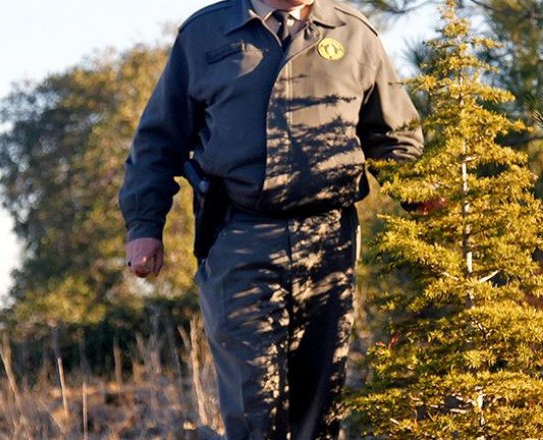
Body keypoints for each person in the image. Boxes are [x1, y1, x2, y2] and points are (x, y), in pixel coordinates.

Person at [118, 0, 424, 437]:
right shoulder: (205, 34)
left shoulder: (354, 33)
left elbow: (394, 138)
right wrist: (144, 228)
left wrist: (429, 205)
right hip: (239, 236)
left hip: (330, 241)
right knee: (254, 402)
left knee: (320, 406)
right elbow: (157, 143)